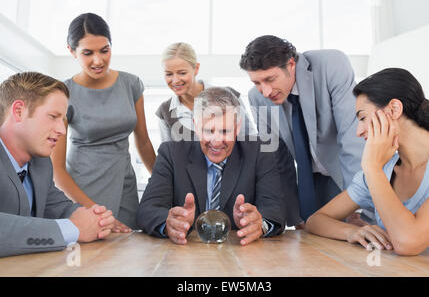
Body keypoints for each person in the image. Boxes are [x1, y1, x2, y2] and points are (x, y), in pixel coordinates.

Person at [306, 68, 429, 256]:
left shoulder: (377, 169)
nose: (358, 131)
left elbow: (408, 242)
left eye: (363, 118)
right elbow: (316, 221)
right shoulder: (383, 170)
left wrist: (372, 167)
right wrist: (351, 231)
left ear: (394, 109)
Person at [239, 35, 367, 227]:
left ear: (291, 64)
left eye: (270, 79)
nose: (265, 91)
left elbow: (352, 139)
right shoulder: (257, 99)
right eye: (257, 83)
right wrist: (293, 217)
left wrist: (359, 207)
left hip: (346, 173)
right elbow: (276, 159)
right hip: (310, 182)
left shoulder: (331, 66)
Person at [138, 87, 286, 245]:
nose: (216, 141)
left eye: (224, 131)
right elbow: (147, 210)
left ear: (237, 127)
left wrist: (259, 224)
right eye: (209, 130)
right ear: (196, 126)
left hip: (241, 253)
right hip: (187, 255)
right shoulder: (172, 154)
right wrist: (170, 224)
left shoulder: (259, 152)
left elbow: (275, 210)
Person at [51, 13, 156, 232]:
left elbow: (144, 142)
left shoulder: (131, 84)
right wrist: (94, 210)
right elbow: (57, 169)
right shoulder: (63, 92)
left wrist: (163, 184)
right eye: (87, 53)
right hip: (83, 189)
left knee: (127, 253)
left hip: (124, 183)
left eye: (104, 50)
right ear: (72, 51)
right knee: (88, 259)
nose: (98, 60)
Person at [0, 72, 115, 257]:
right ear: (19, 111)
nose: (62, 130)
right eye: (53, 116)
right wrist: (72, 229)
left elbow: (58, 207)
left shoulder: (41, 164)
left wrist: (94, 219)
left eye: (63, 119)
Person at [156, 42, 257, 142]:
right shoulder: (165, 111)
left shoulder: (229, 95)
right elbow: (168, 154)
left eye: (182, 73)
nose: (175, 80)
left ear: (196, 69)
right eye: (169, 74)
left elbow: (250, 139)